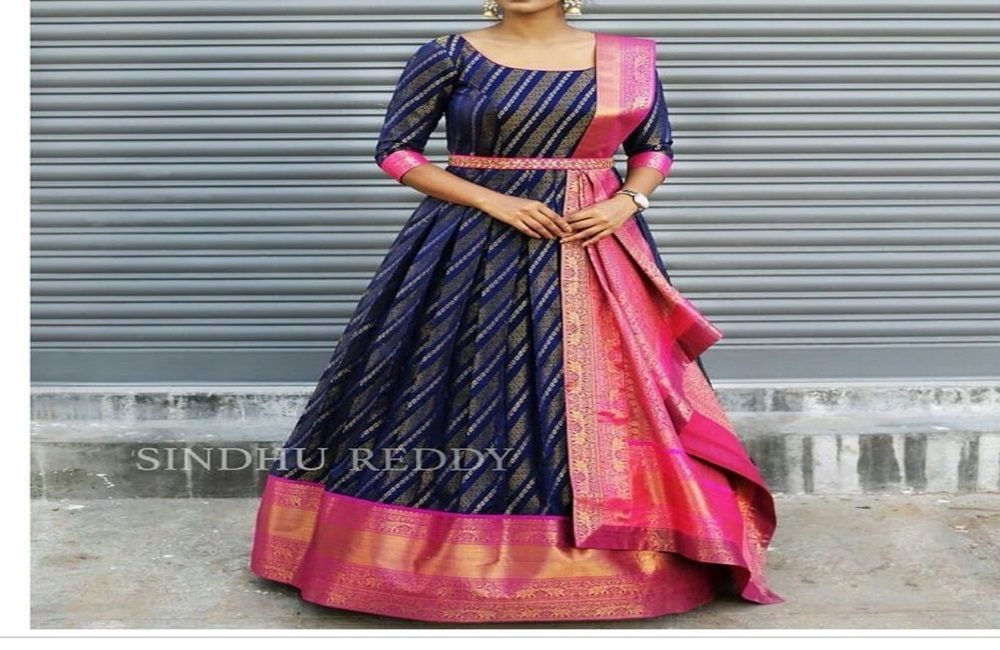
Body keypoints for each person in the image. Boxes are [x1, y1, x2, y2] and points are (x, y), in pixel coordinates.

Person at [249, 0, 784, 623]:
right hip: (468, 246)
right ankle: (413, 563)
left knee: (602, 388)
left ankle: (624, 557)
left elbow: (655, 149)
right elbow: (396, 151)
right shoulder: (448, 54)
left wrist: (626, 202)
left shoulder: (627, 60)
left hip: (590, 243)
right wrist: (492, 200)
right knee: (455, 386)